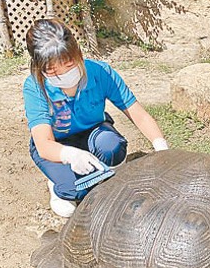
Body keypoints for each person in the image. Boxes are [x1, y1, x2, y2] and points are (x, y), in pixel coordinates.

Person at [23, 19, 169, 218]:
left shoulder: (99, 72)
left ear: (78, 53)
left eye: (68, 64)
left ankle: (106, 176)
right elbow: (44, 144)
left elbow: (138, 113)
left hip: (93, 132)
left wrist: (161, 147)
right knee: (75, 190)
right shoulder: (35, 87)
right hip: (57, 145)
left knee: (112, 147)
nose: (64, 74)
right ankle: (58, 185)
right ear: (39, 67)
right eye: (53, 71)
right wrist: (70, 155)